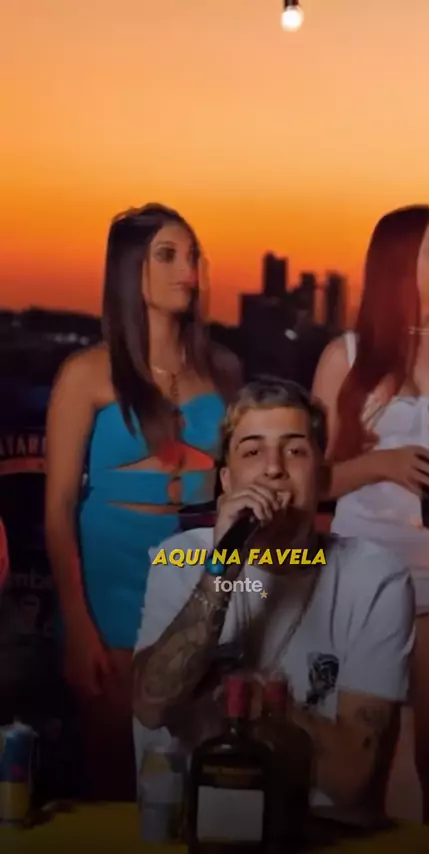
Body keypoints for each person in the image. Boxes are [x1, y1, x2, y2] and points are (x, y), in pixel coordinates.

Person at [133, 378, 415, 820]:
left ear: (322, 477)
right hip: (193, 825)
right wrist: (223, 565)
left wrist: (254, 700)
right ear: (226, 482)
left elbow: (351, 777)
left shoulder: (375, 577)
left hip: (314, 830)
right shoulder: (180, 559)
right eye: (252, 452)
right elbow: (152, 706)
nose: (273, 469)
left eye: (295, 450)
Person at [45, 203, 242, 800]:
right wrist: (78, 627)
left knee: (193, 771)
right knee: (115, 781)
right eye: (168, 255)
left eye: (193, 256)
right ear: (132, 270)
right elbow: (57, 509)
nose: (188, 270)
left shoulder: (224, 371)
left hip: (192, 576)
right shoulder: (86, 374)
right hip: (108, 590)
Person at [311, 204, 429, 825]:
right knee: (360, 753)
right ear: (397, 264)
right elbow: (310, 481)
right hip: (363, 567)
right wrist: (383, 465)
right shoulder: (346, 357)